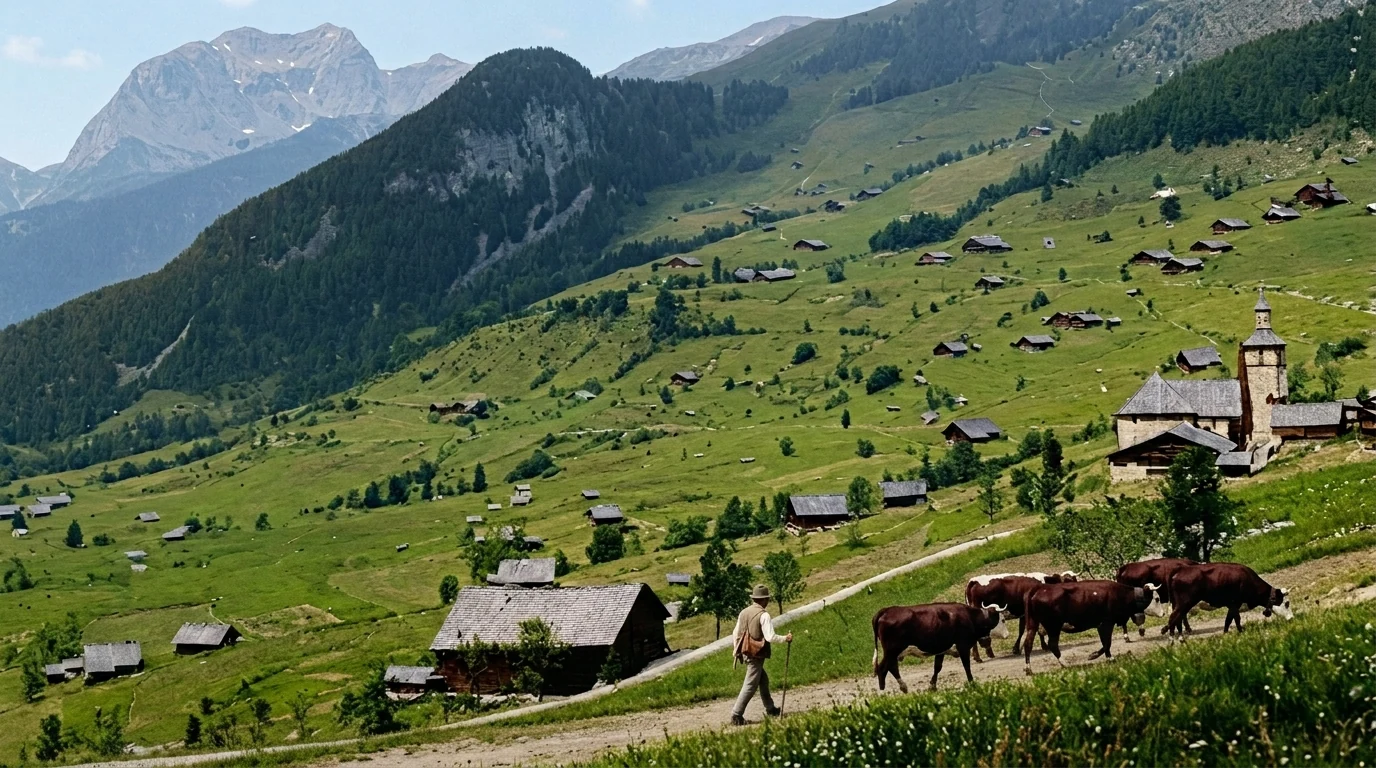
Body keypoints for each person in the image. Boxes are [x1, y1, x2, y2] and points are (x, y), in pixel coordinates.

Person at [730, 583, 792, 725]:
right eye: (767, 599)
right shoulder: (764, 615)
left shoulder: (743, 612)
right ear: (764, 600)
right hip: (756, 654)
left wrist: (736, 650)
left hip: (746, 652)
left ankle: (770, 709)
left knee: (763, 680)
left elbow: (735, 633)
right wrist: (785, 638)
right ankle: (736, 715)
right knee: (750, 685)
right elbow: (770, 637)